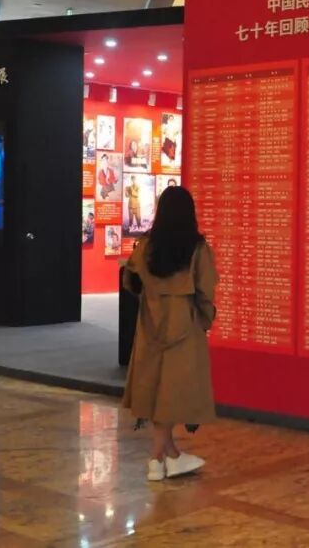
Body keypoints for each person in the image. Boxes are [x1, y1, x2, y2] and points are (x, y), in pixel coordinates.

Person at [122, 186, 218, 482]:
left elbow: (131, 281)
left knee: (155, 392)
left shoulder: (146, 246)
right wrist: (205, 320)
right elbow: (205, 292)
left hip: (150, 326)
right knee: (172, 394)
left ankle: (172, 456)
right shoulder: (197, 249)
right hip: (184, 327)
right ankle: (155, 459)